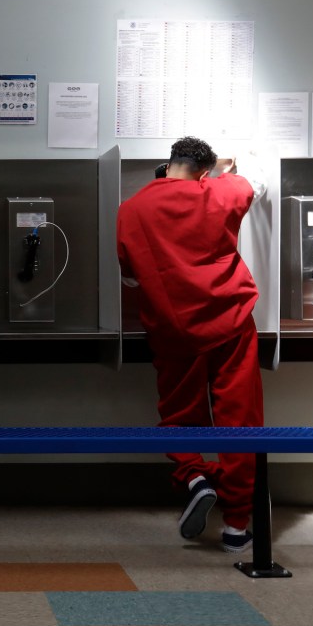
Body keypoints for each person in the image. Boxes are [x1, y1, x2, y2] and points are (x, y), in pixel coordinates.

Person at [116, 136, 267, 553]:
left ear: (167, 166)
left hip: (171, 327)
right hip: (231, 324)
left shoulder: (131, 209)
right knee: (239, 419)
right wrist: (226, 167)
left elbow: (129, 275)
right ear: (204, 172)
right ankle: (237, 525)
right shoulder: (220, 190)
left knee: (180, 413)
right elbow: (250, 182)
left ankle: (194, 475)